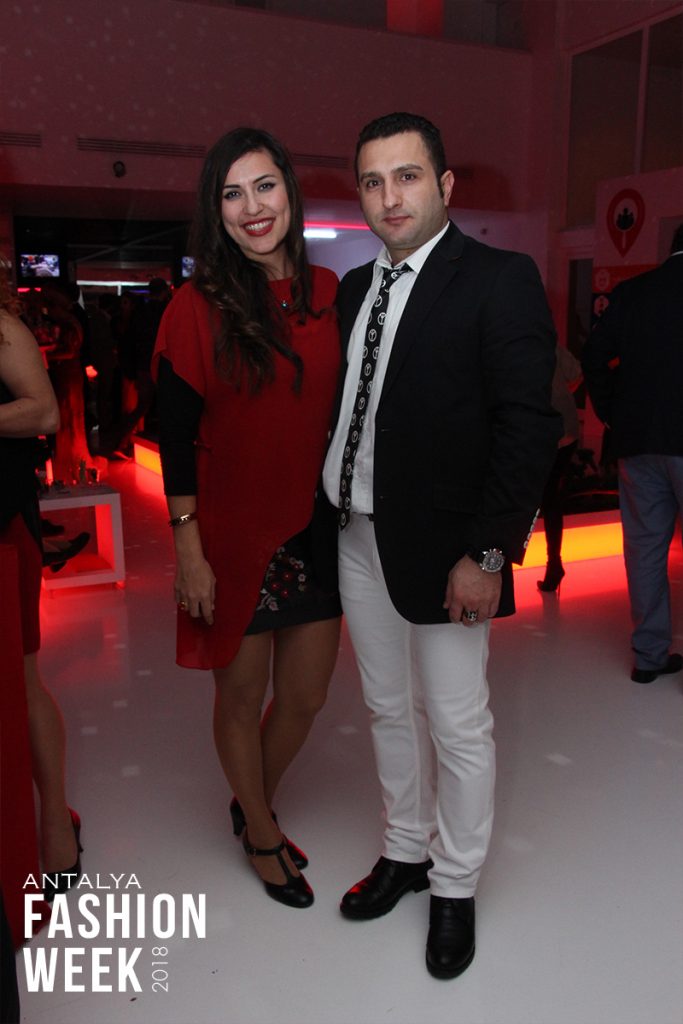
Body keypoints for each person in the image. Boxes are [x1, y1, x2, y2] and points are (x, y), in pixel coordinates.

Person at [322, 113, 560, 978]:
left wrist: (487, 554)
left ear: (444, 185)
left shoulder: (498, 279)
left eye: (407, 176)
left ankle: (454, 885)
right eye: (373, 181)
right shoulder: (354, 287)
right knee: (387, 709)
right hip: (356, 533)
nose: (390, 196)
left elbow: (527, 428)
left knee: (457, 724)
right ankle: (404, 850)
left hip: (448, 548)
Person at [153, 128, 342, 909]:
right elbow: (173, 438)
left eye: (264, 186)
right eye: (232, 194)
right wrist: (188, 549)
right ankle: (260, 831)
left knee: (304, 698)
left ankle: (250, 796)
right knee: (238, 697)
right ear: (216, 211)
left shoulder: (330, 291)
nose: (252, 207)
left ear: (289, 192)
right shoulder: (195, 307)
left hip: (315, 528)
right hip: (232, 535)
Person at [0, 258, 82, 901]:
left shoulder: (2, 328)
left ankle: (54, 822)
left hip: (2, 527)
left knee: (22, 679)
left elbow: (45, 412)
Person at [581, 224, 683, 685]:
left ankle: (649, 657)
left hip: (637, 441)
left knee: (644, 551)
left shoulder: (633, 293)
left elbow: (593, 357)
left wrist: (612, 414)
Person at [537, 345, 582, 592]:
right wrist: (561, 393)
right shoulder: (550, 342)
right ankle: (554, 563)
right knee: (550, 498)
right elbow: (577, 373)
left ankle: (495, 566)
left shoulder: (514, 341)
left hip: (538, 430)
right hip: (565, 428)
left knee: (526, 497)